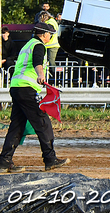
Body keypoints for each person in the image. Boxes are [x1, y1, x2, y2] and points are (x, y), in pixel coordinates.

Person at [0, 22, 69, 173]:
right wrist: (41, 74)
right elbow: (37, 61)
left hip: (17, 87)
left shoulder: (27, 44)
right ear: (44, 34)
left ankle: (4, 162)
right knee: (43, 123)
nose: (51, 36)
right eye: (50, 34)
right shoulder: (39, 46)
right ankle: (50, 159)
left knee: (17, 125)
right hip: (27, 89)